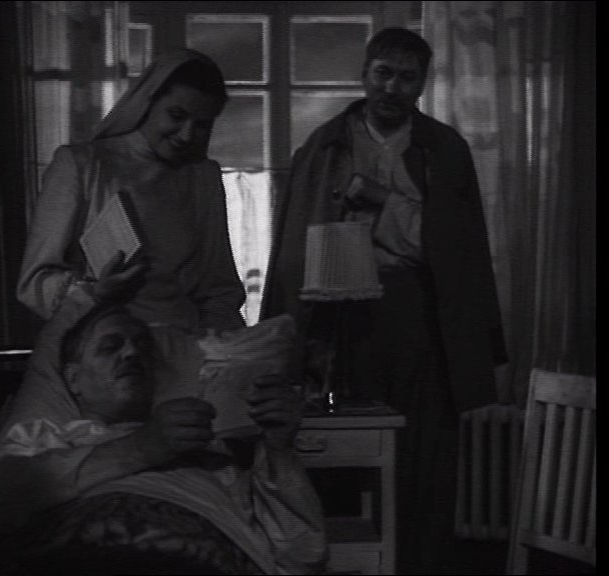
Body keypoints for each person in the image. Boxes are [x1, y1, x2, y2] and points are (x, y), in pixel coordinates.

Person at [260, 28, 507, 574]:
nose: (392, 88)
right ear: (365, 74)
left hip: (422, 316)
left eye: (406, 78)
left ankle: (416, 563)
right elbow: (295, 247)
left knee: (424, 451)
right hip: (340, 320)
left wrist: (382, 201)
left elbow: (458, 249)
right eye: (383, 73)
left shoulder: (444, 149)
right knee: (344, 450)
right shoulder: (325, 146)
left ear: (422, 85)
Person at [0, 253, 328, 575]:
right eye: (110, 346)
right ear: (73, 379)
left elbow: (301, 556)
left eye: (142, 348)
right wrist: (143, 448)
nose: (131, 354)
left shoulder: (214, 455)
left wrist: (279, 451)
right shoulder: (44, 439)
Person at [17, 48, 246, 334]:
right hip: (101, 343)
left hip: (184, 346)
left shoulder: (203, 177)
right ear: (147, 102)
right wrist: (95, 294)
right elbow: (35, 282)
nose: (187, 135)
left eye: (202, 125)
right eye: (176, 115)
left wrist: (215, 344)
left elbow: (219, 287)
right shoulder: (82, 166)